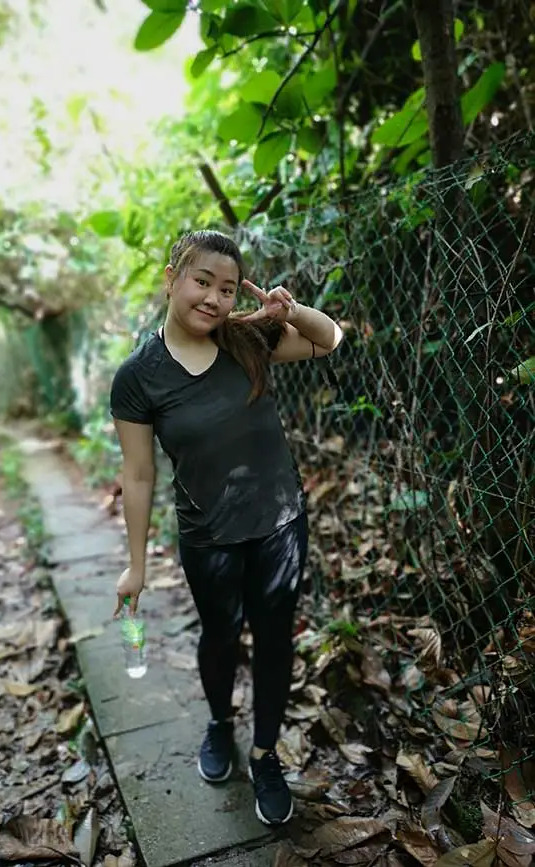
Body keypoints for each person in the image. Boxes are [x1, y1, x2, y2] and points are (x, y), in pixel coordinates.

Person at [109, 230, 343, 826]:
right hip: (208, 536)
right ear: (172, 278)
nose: (213, 299)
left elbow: (329, 339)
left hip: (280, 525)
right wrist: (135, 566)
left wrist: (293, 312)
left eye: (227, 288)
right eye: (202, 282)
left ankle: (265, 756)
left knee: (274, 638)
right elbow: (138, 476)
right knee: (220, 635)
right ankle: (219, 726)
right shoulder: (138, 377)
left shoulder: (247, 339)